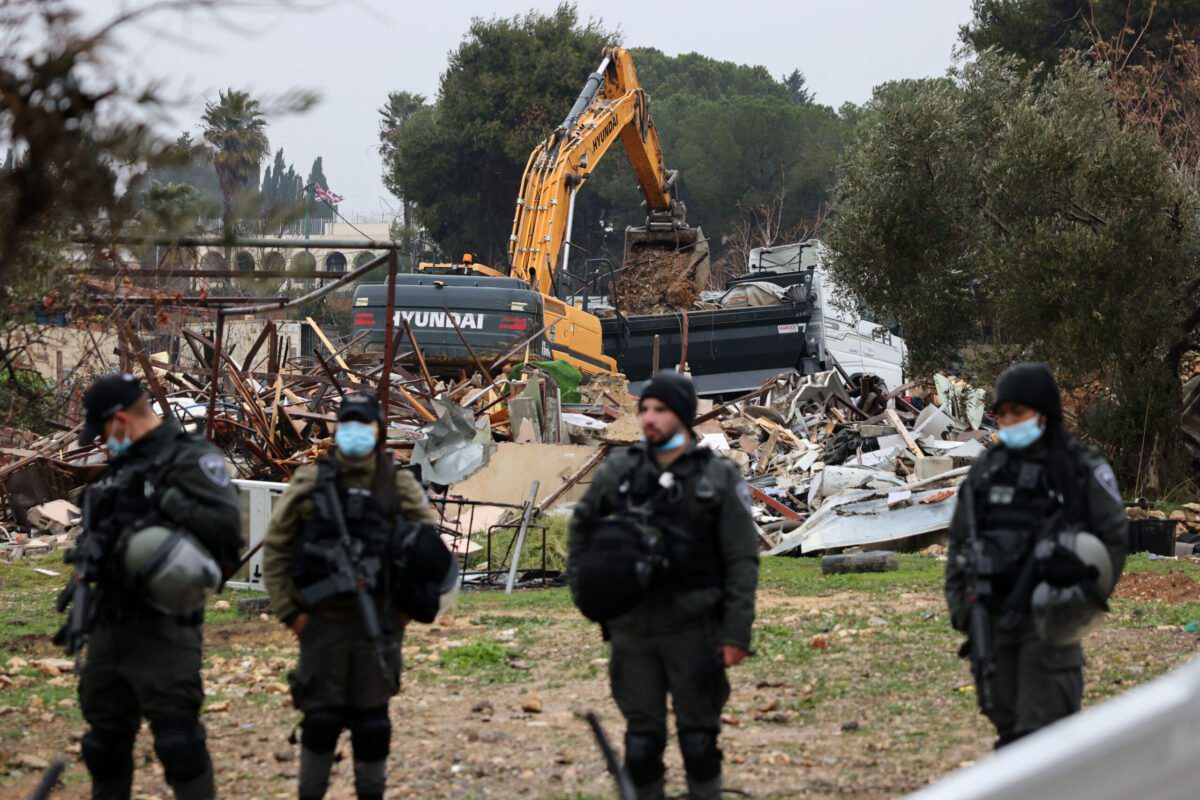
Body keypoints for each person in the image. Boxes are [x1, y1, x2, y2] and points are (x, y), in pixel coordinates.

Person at [568, 371, 759, 800]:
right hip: (632, 630)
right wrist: (586, 592)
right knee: (641, 743)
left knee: (699, 741)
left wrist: (736, 633)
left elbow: (741, 559)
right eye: (645, 409)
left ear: (684, 416)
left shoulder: (716, 477)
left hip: (694, 627)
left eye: (661, 409)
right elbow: (581, 530)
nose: (650, 418)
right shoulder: (620, 470)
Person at [69, 374, 243, 800]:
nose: (103, 443)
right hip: (109, 623)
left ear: (121, 420)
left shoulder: (189, 458)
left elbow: (227, 528)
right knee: (103, 745)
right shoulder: (123, 467)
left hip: (164, 625)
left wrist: (163, 500)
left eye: (103, 432)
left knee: (178, 743)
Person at [263, 392, 439, 800]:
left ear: (379, 432)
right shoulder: (310, 481)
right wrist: (292, 615)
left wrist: (404, 614)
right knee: (320, 721)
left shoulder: (398, 485)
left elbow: (427, 553)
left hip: (378, 624)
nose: (356, 432)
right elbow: (276, 550)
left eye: (365, 424)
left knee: (372, 724)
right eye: (349, 423)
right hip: (321, 623)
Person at [945, 363, 1127, 747]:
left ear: (1043, 414)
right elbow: (961, 541)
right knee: (1007, 727)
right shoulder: (987, 471)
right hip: (993, 617)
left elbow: (1113, 538)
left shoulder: (1078, 466)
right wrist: (963, 608)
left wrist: (1081, 593)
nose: (1009, 421)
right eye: (1002, 413)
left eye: (1019, 412)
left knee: (1044, 736)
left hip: (1049, 620)